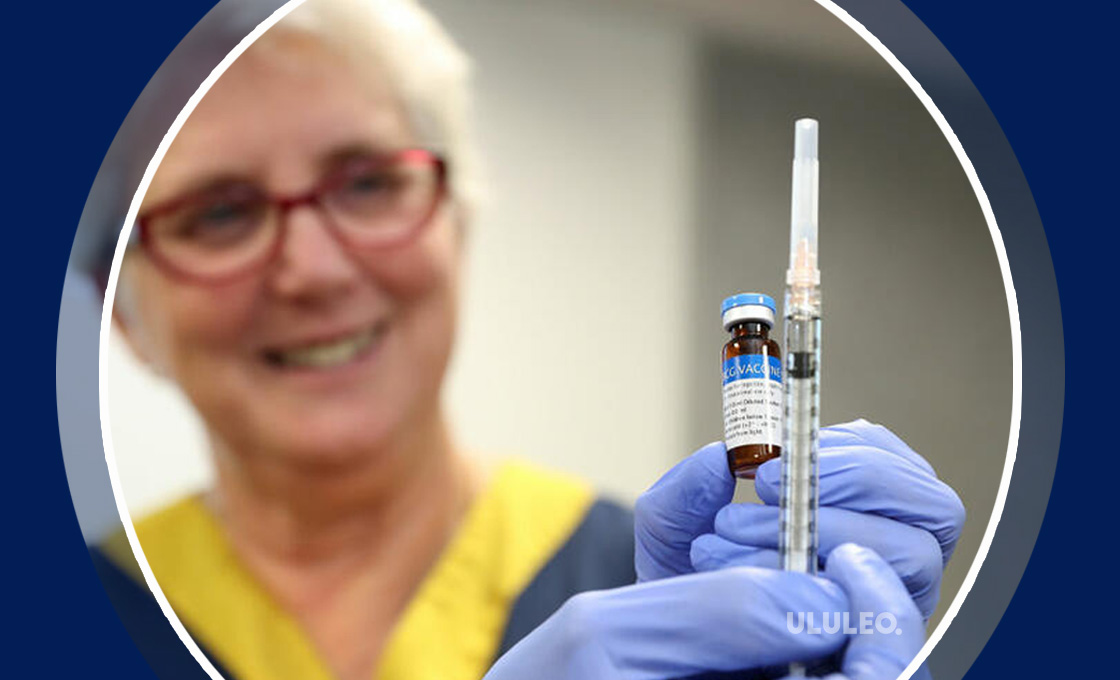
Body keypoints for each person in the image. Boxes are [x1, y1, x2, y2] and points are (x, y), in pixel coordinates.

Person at [86, 1, 965, 679]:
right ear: (121, 312)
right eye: (219, 214)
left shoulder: (665, 583)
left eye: (366, 184)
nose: (312, 269)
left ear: (456, 222)